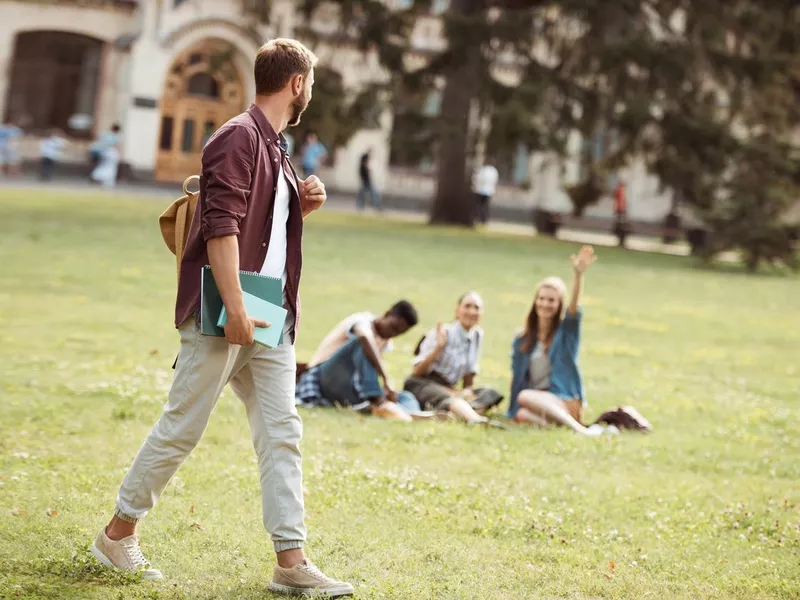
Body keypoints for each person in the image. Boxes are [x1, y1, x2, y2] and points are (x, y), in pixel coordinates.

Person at [89, 38, 353, 598]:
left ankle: (291, 561)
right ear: (298, 84)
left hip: (269, 310)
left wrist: (297, 207)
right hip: (230, 308)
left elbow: (256, 223)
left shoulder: (275, 145)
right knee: (183, 425)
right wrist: (233, 304)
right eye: (312, 84)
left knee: (283, 434)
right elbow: (221, 225)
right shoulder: (237, 136)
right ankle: (117, 534)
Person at [506, 245, 608, 436]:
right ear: (535, 301)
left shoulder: (566, 334)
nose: (545, 304)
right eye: (542, 299)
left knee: (525, 396)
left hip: (564, 399)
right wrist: (510, 411)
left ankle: (580, 430)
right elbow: (517, 377)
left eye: (551, 300)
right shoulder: (522, 338)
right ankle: (567, 429)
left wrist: (578, 276)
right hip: (537, 402)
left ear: (559, 304)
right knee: (522, 414)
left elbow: (574, 313)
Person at [296, 302, 428, 421]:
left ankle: (411, 414)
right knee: (362, 343)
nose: (392, 334)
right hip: (323, 379)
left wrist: (388, 390)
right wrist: (385, 378)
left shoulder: (385, 342)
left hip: (350, 388)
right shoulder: (362, 321)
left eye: (398, 333)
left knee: (405, 396)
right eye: (393, 327)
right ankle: (379, 402)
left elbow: (367, 371)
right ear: (387, 314)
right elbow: (364, 337)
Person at [403, 292, 504, 425]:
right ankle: (476, 420)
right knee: (452, 399)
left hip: (451, 388)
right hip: (424, 383)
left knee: (490, 393)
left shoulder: (477, 336)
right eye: (467, 306)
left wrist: (466, 391)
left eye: (476, 308)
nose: (472, 311)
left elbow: (469, 377)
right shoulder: (443, 332)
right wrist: (438, 348)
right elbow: (417, 372)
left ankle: (451, 414)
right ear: (457, 310)